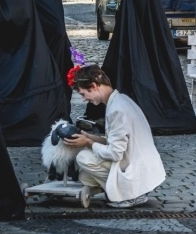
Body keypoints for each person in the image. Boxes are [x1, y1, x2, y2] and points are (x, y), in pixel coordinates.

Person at [64, 64, 166, 208]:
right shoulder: (121, 100)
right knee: (84, 177)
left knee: (83, 158)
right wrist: (89, 137)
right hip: (139, 163)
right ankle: (124, 189)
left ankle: (131, 193)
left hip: (134, 168)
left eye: (83, 94)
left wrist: (88, 143)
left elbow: (115, 153)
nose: (83, 99)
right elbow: (114, 142)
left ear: (93, 86)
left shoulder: (116, 110)